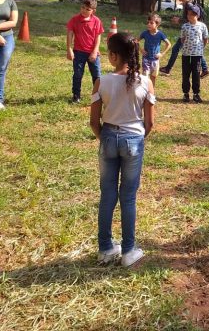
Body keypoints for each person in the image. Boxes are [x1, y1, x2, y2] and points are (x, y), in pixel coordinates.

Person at [90, 32, 155, 268]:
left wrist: (104, 138)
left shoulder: (102, 81)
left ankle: (105, 248)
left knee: (107, 194)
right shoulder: (145, 82)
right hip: (134, 140)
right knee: (128, 196)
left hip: (108, 136)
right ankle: (128, 250)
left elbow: (94, 121)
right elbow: (150, 124)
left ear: (114, 56)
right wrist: (137, 138)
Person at [159, 0, 209, 77]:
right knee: (195, 50)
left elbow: (191, 19)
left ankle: (168, 69)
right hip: (189, 31)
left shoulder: (189, 5)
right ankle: (205, 69)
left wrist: (179, 20)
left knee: (178, 49)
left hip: (190, 32)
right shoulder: (187, 4)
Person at [66, 0, 105, 103]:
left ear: (93, 11)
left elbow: (98, 37)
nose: (84, 10)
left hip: (93, 52)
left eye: (88, 9)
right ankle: (76, 95)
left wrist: (94, 51)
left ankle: (98, 96)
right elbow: (70, 33)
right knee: (78, 74)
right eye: (83, 7)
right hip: (78, 52)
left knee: (96, 75)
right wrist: (69, 49)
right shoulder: (74, 20)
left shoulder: (97, 21)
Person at [180, 3, 209, 103]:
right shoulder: (185, 26)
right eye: (188, 14)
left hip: (197, 55)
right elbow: (182, 39)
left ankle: (196, 94)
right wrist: (187, 47)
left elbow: (205, 39)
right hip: (186, 54)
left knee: (196, 74)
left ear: (197, 15)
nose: (189, 16)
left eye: (192, 14)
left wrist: (200, 49)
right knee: (185, 74)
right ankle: (186, 93)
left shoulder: (202, 26)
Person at [139, 13, 171, 88]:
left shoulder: (160, 34)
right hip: (146, 59)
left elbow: (169, 44)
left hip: (155, 60)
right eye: (148, 22)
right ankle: (144, 93)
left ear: (157, 24)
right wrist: (141, 50)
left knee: (153, 77)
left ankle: (151, 93)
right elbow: (136, 41)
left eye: (151, 23)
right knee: (145, 77)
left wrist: (162, 54)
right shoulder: (145, 33)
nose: (149, 24)